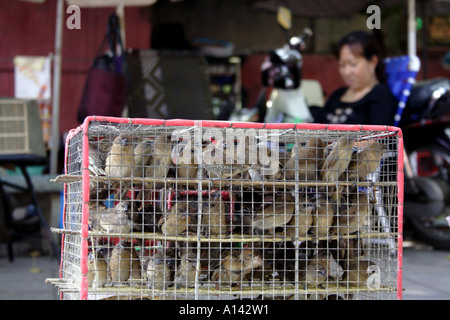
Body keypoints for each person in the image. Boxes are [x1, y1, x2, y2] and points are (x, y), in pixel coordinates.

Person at [312, 30, 398, 126]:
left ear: (373, 62)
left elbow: (380, 138)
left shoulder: (380, 95)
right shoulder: (337, 95)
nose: (346, 72)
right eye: (342, 65)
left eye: (353, 64)